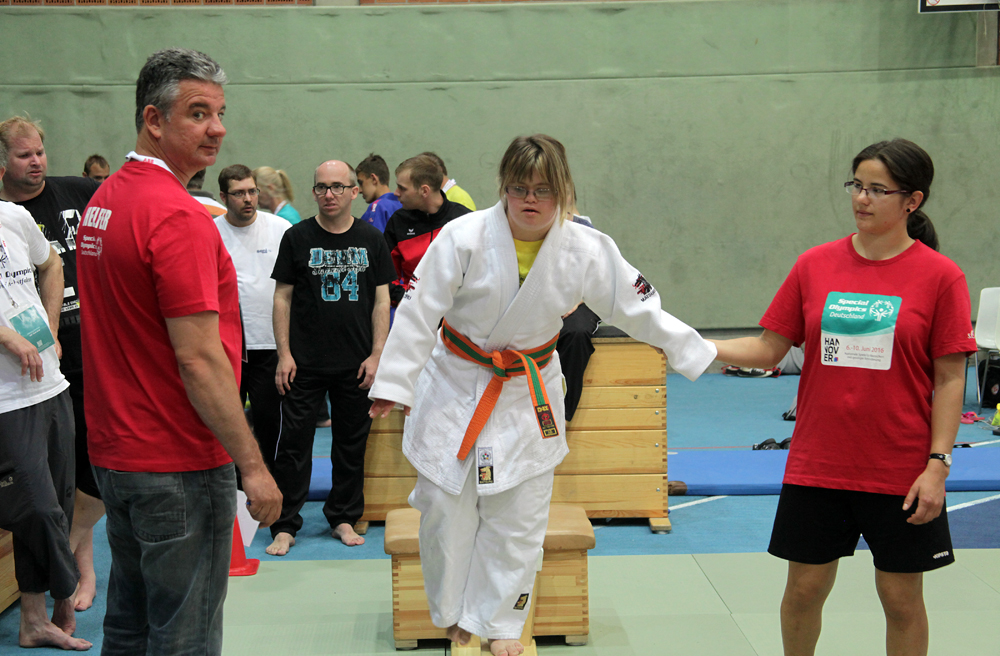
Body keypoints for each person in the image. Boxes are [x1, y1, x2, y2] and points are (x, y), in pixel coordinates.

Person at [369, 134, 716, 656]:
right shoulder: (462, 237)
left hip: (526, 388)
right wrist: (394, 382)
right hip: (457, 381)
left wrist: (699, 352)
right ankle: (456, 614)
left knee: (521, 510)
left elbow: (640, 309)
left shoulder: (586, 248)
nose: (531, 200)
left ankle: (503, 622)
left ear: (564, 192)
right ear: (503, 189)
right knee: (444, 506)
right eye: (519, 188)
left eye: (544, 190)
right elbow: (419, 312)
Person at [709, 139, 974, 656]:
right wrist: (691, 345)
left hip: (899, 466)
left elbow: (950, 378)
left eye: (878, 189)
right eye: (857, 185)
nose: (862, 199)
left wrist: (938, 465)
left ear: (912, 201)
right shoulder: (815, 265)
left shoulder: (941, 277)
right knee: (803, 592)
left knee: (900, 599)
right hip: (819, 462)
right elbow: (768, 348)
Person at [76, 48, 281, 655]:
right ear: (153, 120)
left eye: (220, 113)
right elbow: (197, 359)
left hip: (117, 455)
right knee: (183, 636)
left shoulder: (106, 202)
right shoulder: (177, 219)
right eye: (198, 113)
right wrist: (252, 464)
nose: (217, 128)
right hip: (176, 461)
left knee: (132, 625)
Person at [0, 115, 105, 612]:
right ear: (4, 164)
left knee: (93, 474)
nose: (37, 161)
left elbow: (54, 266)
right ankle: (79, 573)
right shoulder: (10, 216)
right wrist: (39, 339)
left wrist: (45, 333)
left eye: (40, 150)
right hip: (34, 378)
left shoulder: (76, 192)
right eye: (24, 155)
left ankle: (69, 558)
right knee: (51, 489)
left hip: (90, 357)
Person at [268, 159, 394, 554]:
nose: (330, 194)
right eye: (322, 187)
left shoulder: (372, 239)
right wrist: (284, 354)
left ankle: (342, 517)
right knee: (293, 446)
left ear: (355, 191)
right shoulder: (297, 237)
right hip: (303, 364)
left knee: (350, 446)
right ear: (314, 191)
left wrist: (377, 354)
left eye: (338, 187)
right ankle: (286, 524)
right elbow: (282, 297)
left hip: (355, 364)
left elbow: (381, 300)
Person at [214, 164, 290, 478]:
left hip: (270, 343)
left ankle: (271, 487)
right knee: (226, 421)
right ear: (223, 196)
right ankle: (231, 488)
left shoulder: (280, 228)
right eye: (239, 193)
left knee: (269, 422)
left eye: (252, 191)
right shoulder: (211, 231)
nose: (248, 199)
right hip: (227, 346)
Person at [383, 154, 471, 310]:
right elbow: (385, 276)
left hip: (455, 320)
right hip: (411, 315)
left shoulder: (465, 220)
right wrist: (409, 299)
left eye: (402, 188)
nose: (396, 193)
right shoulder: (397, 222)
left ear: (424, 191)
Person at [356, 153, 402, 233]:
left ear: (374, 179)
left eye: (361, 183)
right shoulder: (402, 204)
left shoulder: (378, 207)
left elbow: (373, 242)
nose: (360, 190)